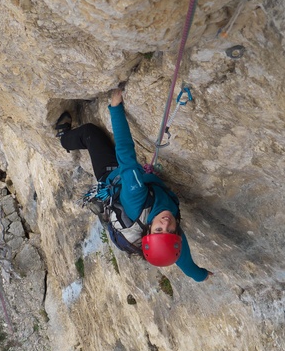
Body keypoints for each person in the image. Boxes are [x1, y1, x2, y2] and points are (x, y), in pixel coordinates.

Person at [56, 89, 212, 282]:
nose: (166, 224)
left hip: (112, 175)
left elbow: (126, 154)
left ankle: (63, 138)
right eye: (171, 231)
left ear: (148, 229)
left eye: (158, 230)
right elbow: (186, 264)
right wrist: (202, 275)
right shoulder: (172, 228)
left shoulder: (136, 200)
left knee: (90, 133)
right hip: (138, 184)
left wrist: (115, 107)